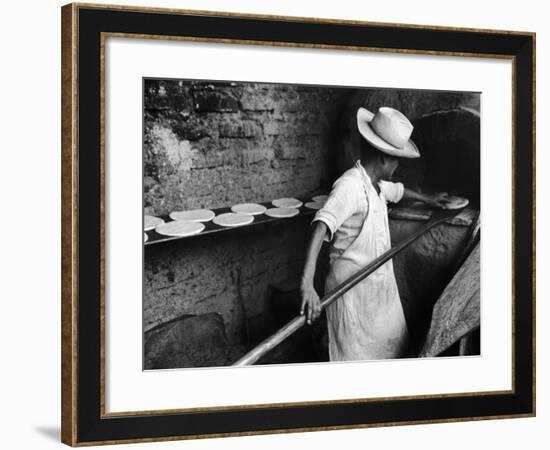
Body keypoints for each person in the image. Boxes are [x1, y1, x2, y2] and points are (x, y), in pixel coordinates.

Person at [300, 106, 450, 361]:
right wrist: (306, 286)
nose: (398, 165)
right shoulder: (350, 186)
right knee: (356, 357)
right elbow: (321, 225)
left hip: (376, 284)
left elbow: (398, 191)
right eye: (395, 159)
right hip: (351, 291)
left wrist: (430, 199)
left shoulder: (375, 185)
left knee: (389, 348)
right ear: (382, 158)